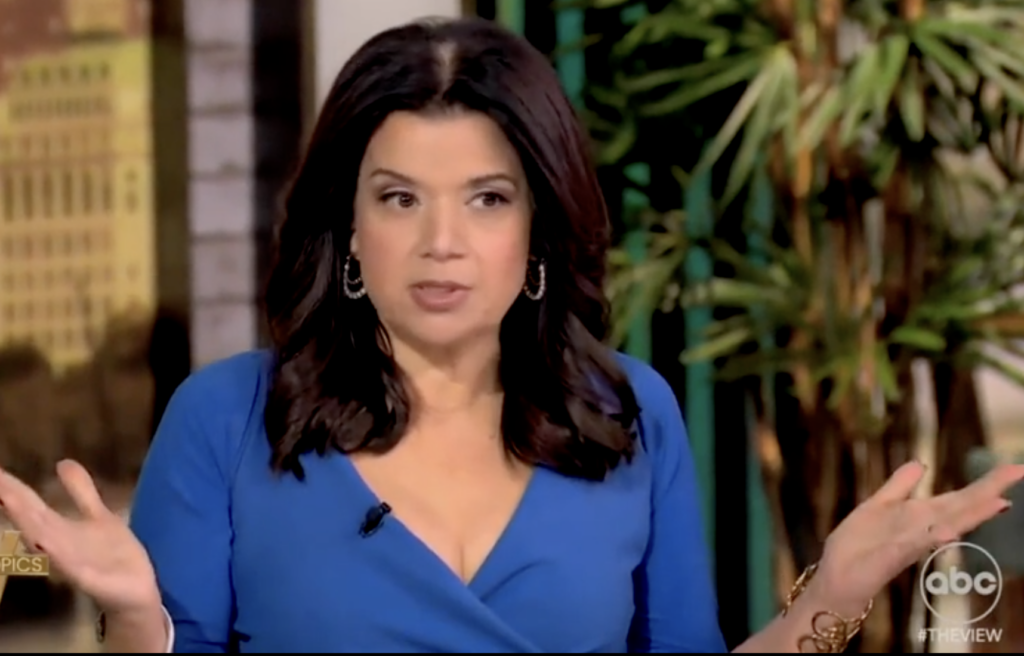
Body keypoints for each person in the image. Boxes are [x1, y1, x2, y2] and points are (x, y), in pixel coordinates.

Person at [0, 16, 1020, 654]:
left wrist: (831, 595)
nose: (441, 242)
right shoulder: (227, 418)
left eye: (487, 198)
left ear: (538, 226)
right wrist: (133, 614)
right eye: (399, 197)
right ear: (347, 228)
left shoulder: (627, 412)